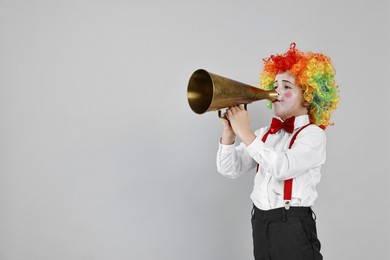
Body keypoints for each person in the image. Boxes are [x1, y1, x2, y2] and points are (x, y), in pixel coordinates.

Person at [216, 43, 339, 260]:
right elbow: (230, 169)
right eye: (274, 85)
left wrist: (245, 133)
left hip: (292, 225)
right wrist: (229, 135)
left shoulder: (313, 136)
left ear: (309, 95)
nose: (275, 93)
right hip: (261, 224)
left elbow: (282, 167)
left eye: (287, 86)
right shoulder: (264, 135)